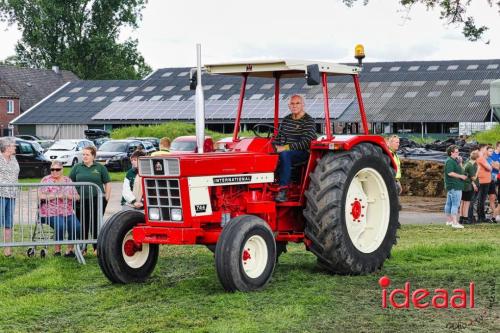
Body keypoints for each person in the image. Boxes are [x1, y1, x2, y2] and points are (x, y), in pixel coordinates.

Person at [274, 94, 316, 202]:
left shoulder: (308, 121)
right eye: (292, 103)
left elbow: (306, 142)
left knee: (285, 154)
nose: (294, 106)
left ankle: (283, 190)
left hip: (302, 153)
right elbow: (279, 137)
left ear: (303, 105)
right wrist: (273, 146)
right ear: (289, 106)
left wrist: (285, 147)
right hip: (286, 151)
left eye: (297, 103)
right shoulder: (286, 120)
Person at [69, 146, 111, 254]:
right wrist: (74, 195)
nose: (84, 156)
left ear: (93, 156)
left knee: (96, 223)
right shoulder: (77, 167)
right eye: (83, 154)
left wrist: (107, 196)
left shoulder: (100, 168)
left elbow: (107, 182)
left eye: (87, 154)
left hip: (97, 199)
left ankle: (97, 247)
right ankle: (83, 248)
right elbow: (69, 182)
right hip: (80, 200)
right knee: (83, 223)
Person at [39, 160, 81, 257]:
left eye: (57, 169)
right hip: (50, 212)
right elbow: (40, 196)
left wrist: (66, 196)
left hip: (68, 211)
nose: (54, 171)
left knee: (77, 227)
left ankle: (69, 250)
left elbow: (77, 197)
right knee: (61, 225)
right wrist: (56, 195)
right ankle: (57, 250)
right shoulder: (46, 180)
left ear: (62, 170)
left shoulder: (68, 180)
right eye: (52, 169)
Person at [0, 137, 19, 257]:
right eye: (13, 145)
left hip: (11, 195)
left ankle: (7, 250)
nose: (15, 147)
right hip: (0, 194)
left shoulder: (14, 159)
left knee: (8, 223)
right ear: (7, 147)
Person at [443, 145, 467, 229]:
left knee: (449, 203)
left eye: (458, 151)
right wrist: (461, 176)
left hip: (453, 185)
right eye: (456, 152)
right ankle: (454, 222)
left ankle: (449, 221)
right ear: (451, 153)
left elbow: (461, 169)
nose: (458, 153)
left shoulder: (454, 160)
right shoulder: (450, 161)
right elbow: (450, 173)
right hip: (454, 186)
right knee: (455, 204)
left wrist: (460, 163)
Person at [459, 151, 478, 224]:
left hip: (463, 185)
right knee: (467, 203)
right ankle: (465, 218)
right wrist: (478, 171)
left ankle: (461, 218)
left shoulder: (466, 163)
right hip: (467, 186)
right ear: (477, 159)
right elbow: (474, 178)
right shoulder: (470, 166)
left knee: (462, 202)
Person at [476, 144, 493, 223]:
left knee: (481, 200)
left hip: (485, 181)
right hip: (483, 181)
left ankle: (481, 216)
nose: (486, 150)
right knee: (481, 200)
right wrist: (489, 166)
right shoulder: (481, 158)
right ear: (482, 149)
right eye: (486, 148)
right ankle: (481, 217)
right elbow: (489, 167)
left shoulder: (481, 157)